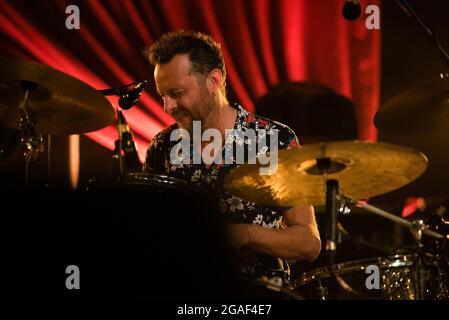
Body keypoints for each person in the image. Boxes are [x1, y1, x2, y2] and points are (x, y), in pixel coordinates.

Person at [142, 30, 321, 285]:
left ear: (213, 81)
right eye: (163, 95)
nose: (168, 106)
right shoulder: (163, 146)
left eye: (177, 93)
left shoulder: (272, 139)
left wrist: (246, 234)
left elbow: (309, 244)